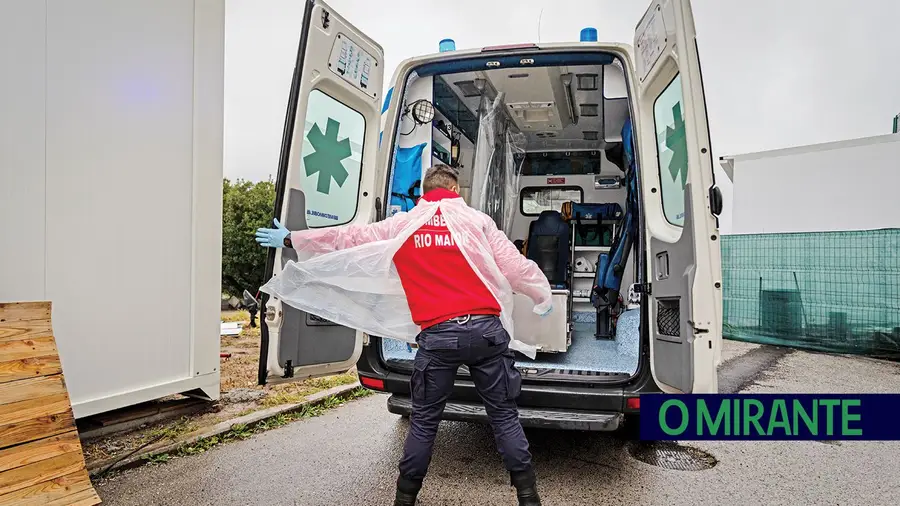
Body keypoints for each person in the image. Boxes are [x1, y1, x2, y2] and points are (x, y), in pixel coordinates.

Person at [256, 164, 552, 506]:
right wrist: (541, 295)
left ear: (422, 194)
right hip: (486, 333)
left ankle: (404, 500)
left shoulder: (403, 224)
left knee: (425, 422)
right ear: (456, 191)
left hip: (438, 337)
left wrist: (294, 238)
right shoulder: (479, 221)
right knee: (503, 416)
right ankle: (529, 498)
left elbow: (348, 239)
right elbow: (515, 268)